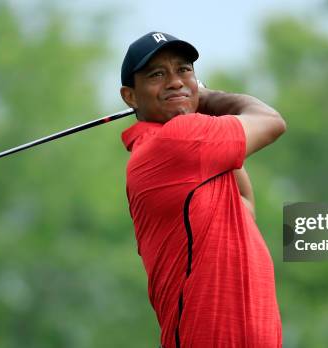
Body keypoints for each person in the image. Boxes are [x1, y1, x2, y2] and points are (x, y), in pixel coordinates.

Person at [119, 31, 286, 348]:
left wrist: (190, 102)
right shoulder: (177, 139)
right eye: (157, 74)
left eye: (184, 70)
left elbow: (245, 203)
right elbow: (271, 120)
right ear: (130, 96)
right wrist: (208, 98)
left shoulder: (191, 155)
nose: (175, 82)